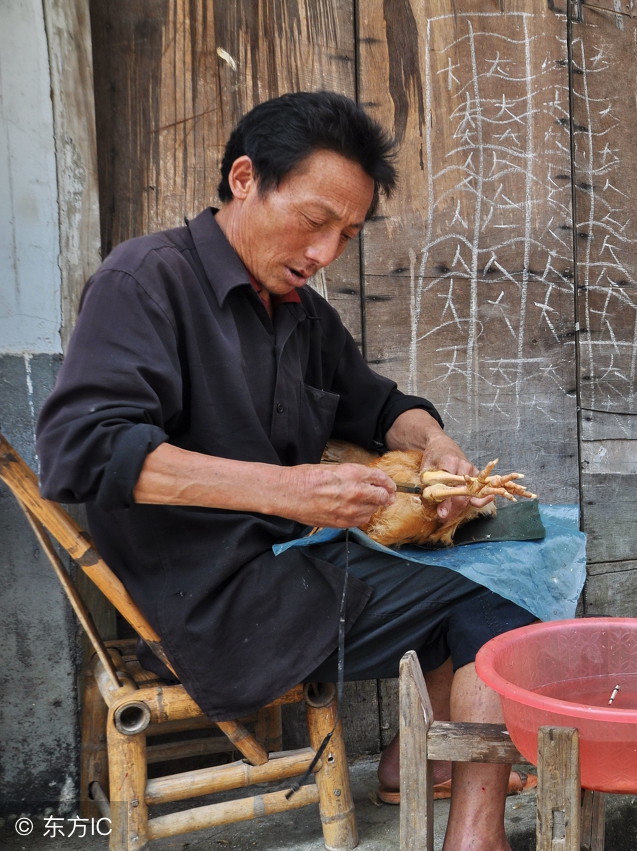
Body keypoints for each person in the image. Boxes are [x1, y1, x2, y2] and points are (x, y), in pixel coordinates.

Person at [36, 91, 533, 851]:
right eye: (313, 221)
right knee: (508, 585)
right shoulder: (146, 281)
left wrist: (436, 445)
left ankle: (416, 765)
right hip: (215, 602)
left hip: (289, 566)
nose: (326, 252)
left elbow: (380, 405)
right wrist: (292, 491)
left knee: (510, 530)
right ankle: (473, 835)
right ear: (244, 178)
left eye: (347, 233)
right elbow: (84, 449)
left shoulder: (300, 311)